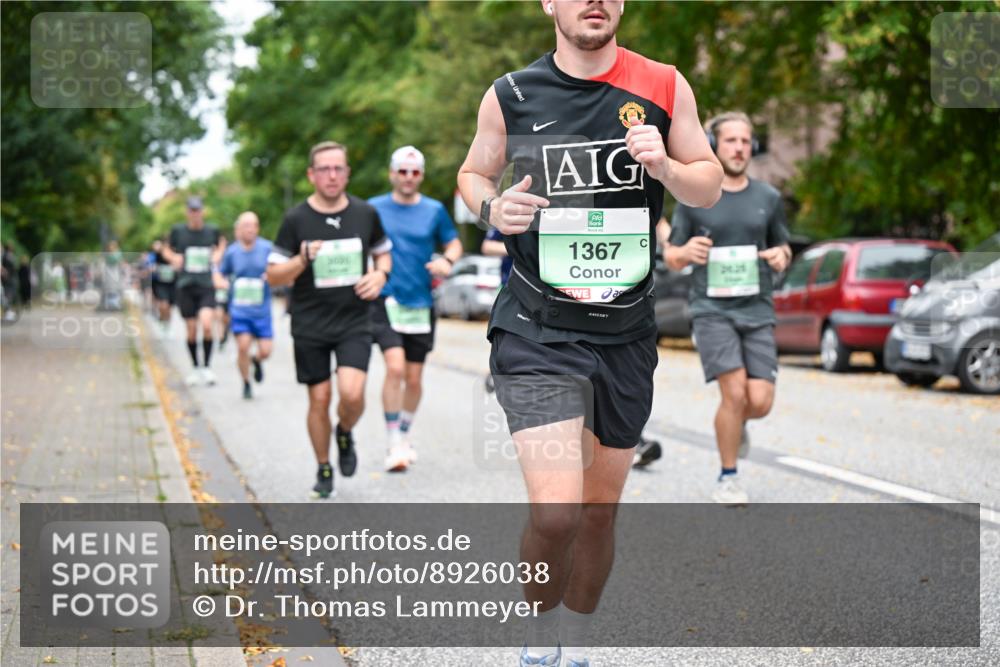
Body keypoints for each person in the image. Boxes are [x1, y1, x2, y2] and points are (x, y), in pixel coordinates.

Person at [457, 2, 722, 665]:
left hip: (624, 331)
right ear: (550, 3)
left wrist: (664, 167)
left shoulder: (663, 84)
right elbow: (472, 173)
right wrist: (493, 207)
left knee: (599, 513)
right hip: (536, 326)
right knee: (557, 514)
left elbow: (709, 184)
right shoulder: (511, 93)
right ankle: (540, 630)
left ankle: (574, 637)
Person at [665, 111, 791, 506]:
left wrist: (780, 256)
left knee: (760, 402)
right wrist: (684, 252)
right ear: (714, 144)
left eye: (745, 140)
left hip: (756, 308)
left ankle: (735, 427)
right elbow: (671, 255)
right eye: (731, 140)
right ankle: (728, 476)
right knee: (734, 394)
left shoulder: (768, 198)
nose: (739, 147)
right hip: (711, 310)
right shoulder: (695, 196)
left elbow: (783, 246)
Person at [267, 141, 392, 500]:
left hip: (354, 320)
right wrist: (302, 258)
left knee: (352, 394)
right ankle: (323, 467)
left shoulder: (365, 213)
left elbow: (384, 257)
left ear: (347, 172)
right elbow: (274, 276)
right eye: (324, 169)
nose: (332, 175)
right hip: (310, 323)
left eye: (339, 168)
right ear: (312, 175)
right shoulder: (295, 220)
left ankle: (344, 430)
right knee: (319, 398)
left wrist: (380, 277)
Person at [369, 146, 463, 472]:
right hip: (386, 298)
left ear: (421, 175)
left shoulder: (434, 210)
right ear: (392, 173)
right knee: (394, 369)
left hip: (420, 302)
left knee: (414, 377)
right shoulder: (373, 208)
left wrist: (447, 261)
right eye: (402, 171)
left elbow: (453, 242)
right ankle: (393, 440)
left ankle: (405, 434)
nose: (408, 178)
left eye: (414, 172)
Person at [216, 212, 274, 400]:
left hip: (262, 310)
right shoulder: (232, 252)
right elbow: (220, 273)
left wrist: (272, 275)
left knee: (265, 351)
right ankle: (246, 383)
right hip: (240, 310)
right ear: (239, 229)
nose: (250, 229)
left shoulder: (267, 248)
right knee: (243, 347)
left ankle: (256, 361)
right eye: (246, 225)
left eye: (254, 225)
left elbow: (279, 269)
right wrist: (221, 282)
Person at [164, 196, 222, 386]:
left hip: (205, 285)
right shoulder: (178, 231)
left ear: (202, 211)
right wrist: (173, 257)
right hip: (186, 285)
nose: (195, 213)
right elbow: (165, 248)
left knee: (206, 325)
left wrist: (217, 255)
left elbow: (222, 243)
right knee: (191, 330)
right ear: (187, 212)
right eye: (192, 210)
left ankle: (206, 367)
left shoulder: (211, 230)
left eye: (197, 210)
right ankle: (195, 367)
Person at [150, 238, 176, 336]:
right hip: (160, 284)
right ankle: (162, 318)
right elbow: (151, 265)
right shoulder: (156, 255)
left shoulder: (175, 255)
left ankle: (167, 323)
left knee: (169, 307)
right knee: (163, 304)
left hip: (172, 284)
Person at [214, 233, 232, 350]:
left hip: (230, 291)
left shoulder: (231, 255)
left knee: (227, 318)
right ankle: (220, 338)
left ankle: (225, 335)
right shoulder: (215, 256)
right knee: (219, 315)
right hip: (217, 291)